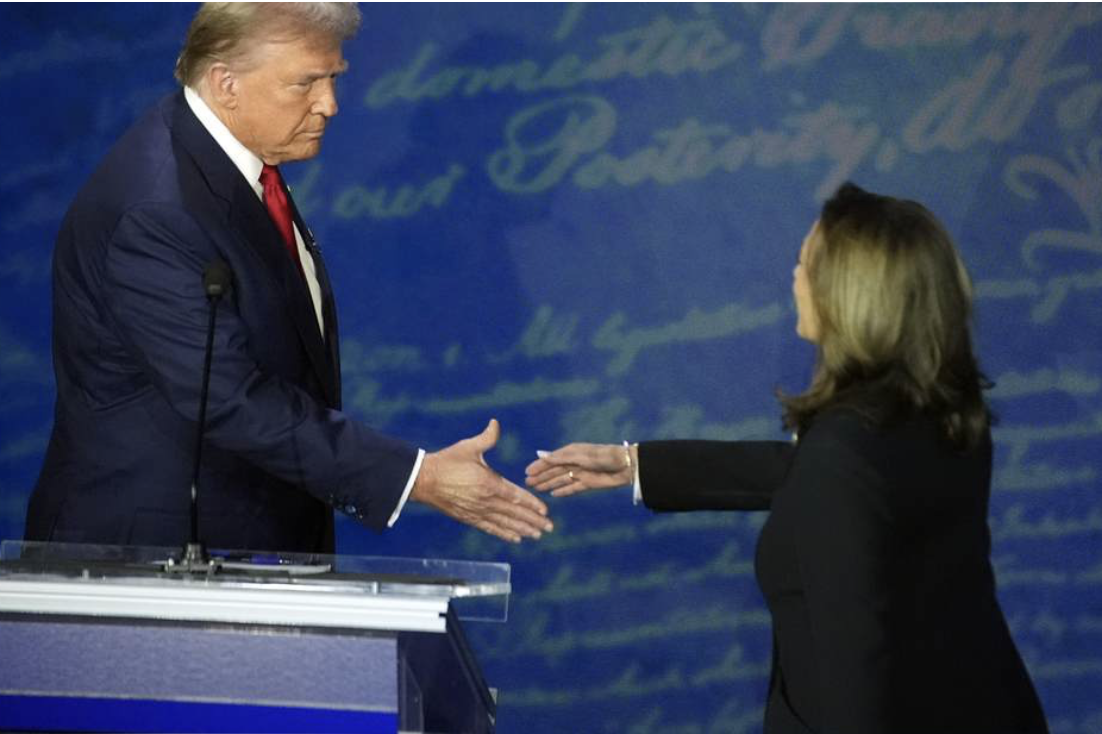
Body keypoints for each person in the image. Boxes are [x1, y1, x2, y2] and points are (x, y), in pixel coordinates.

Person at [24, 2, 553, 553]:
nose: (329, 104)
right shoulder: (159, 209)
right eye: (305, 83)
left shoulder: (228, 161)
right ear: (226, 84)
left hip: (238, 544)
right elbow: (230, 398)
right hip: (151, 562)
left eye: (332, 78)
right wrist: (414, 477)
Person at [526, 184, 1048, 733]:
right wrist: (636, 466)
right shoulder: (943, 415)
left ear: (847, 295)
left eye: (803, 264)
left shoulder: (844, 455)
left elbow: (857, 679)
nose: (794, 278)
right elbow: (818, 478)